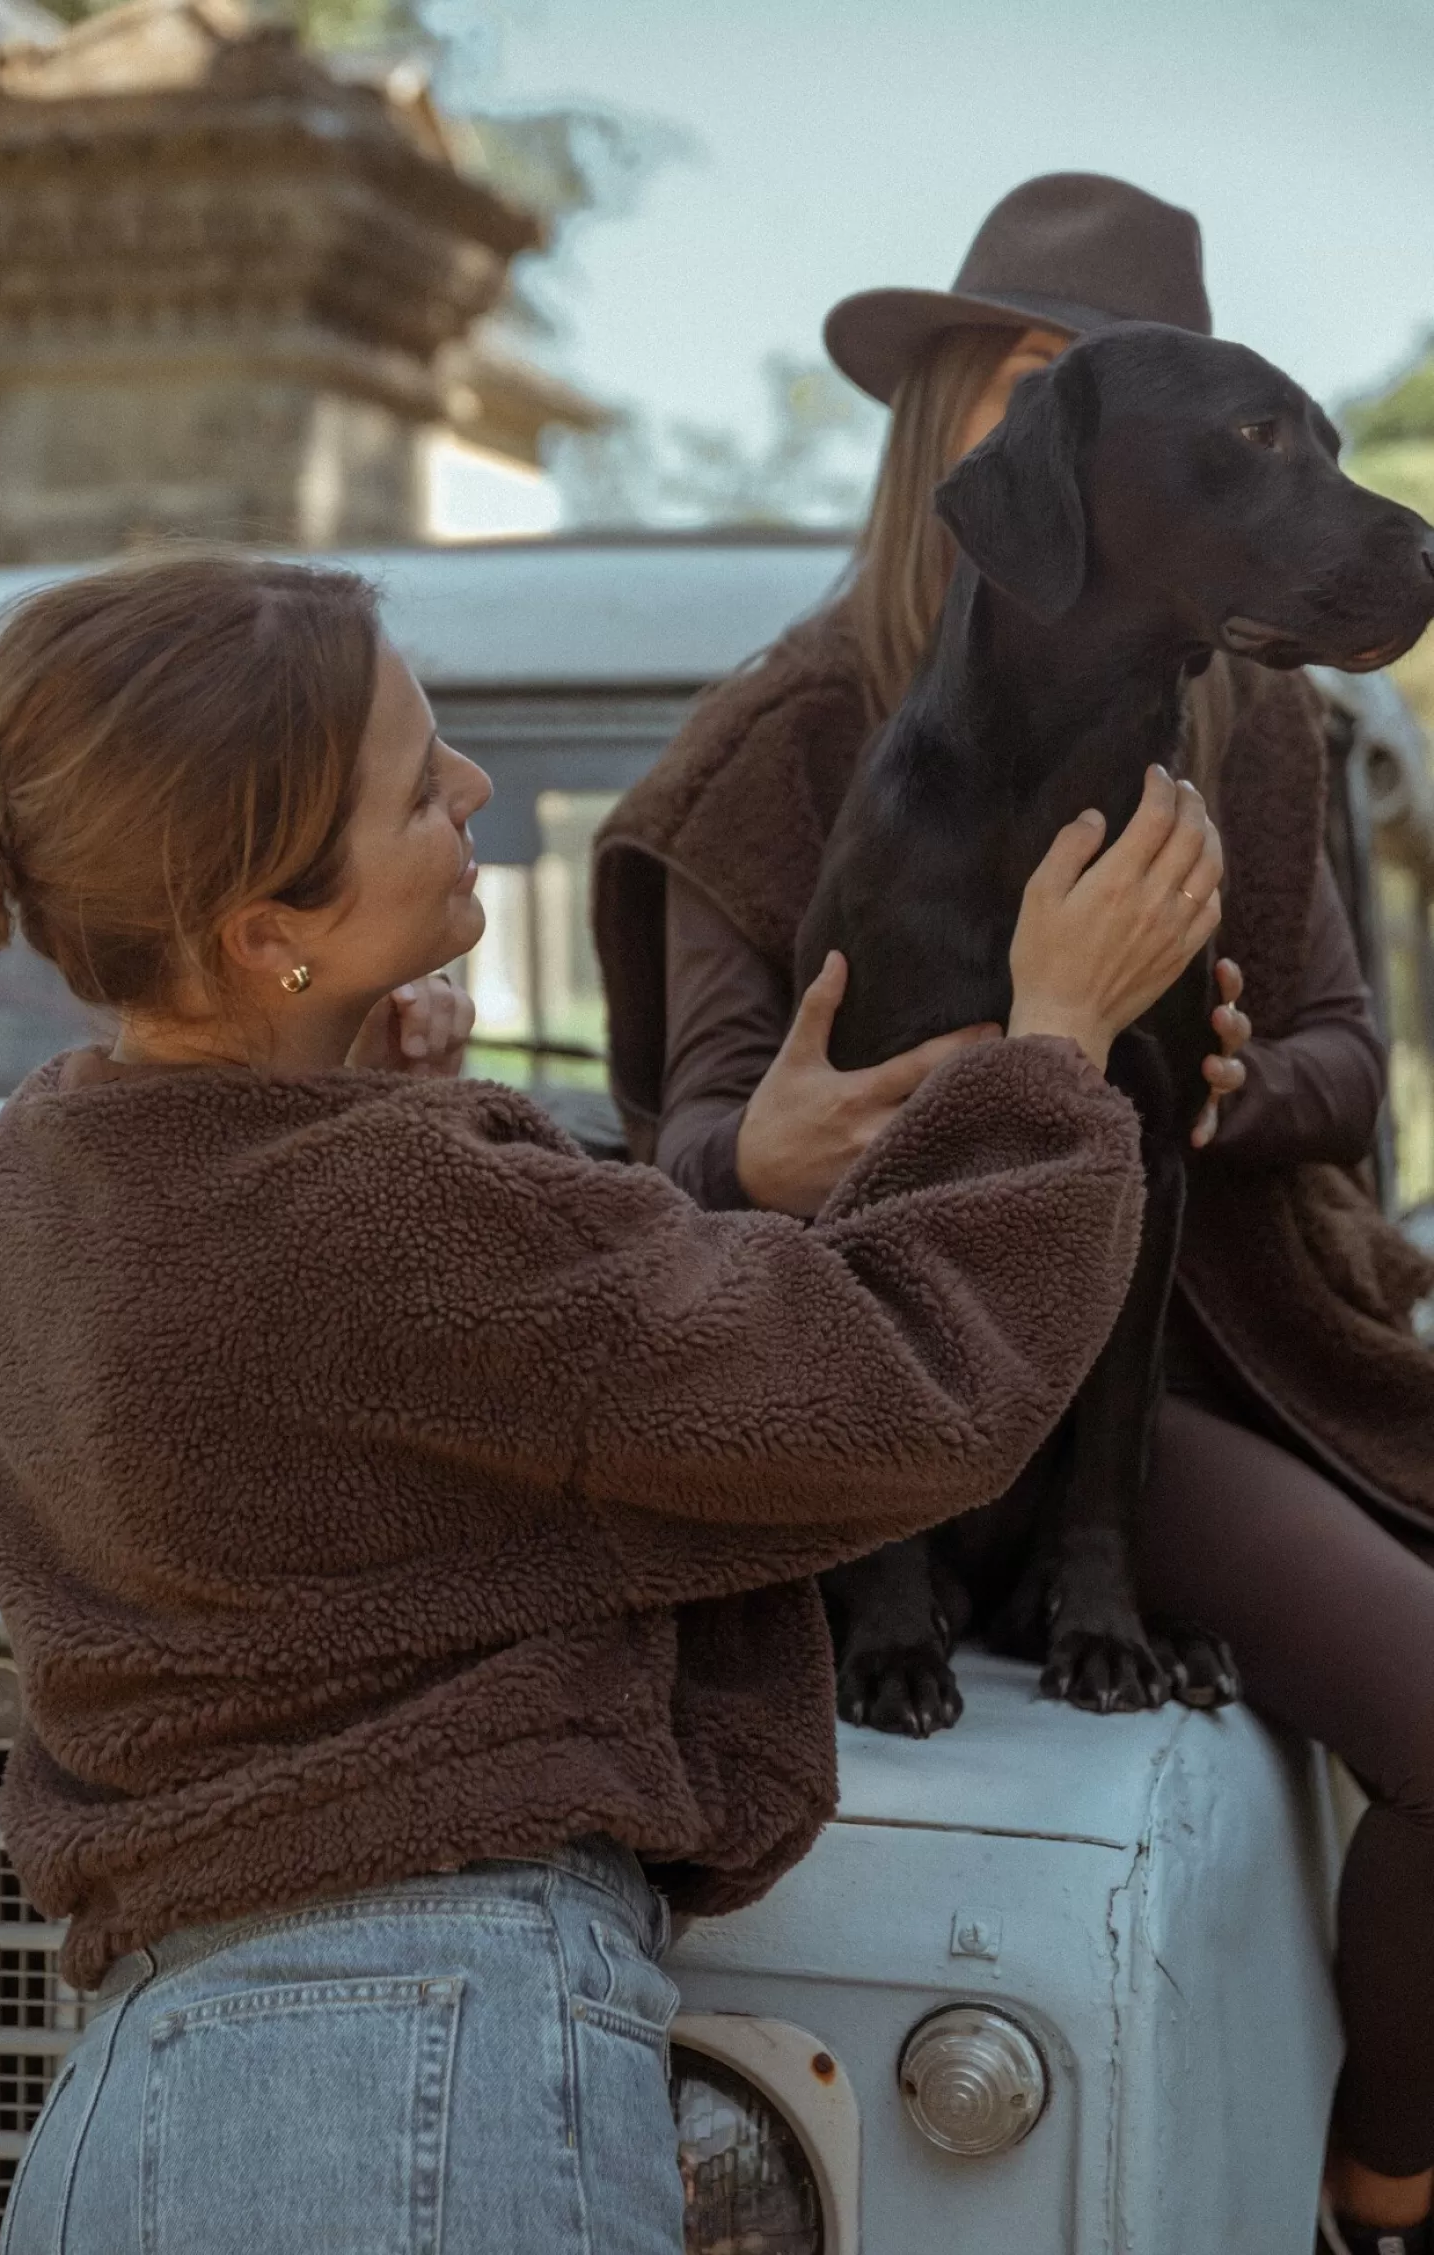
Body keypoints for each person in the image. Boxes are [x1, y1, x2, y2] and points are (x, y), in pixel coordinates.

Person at [0, 553, 1218, 2255]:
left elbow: (347, 1423)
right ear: (268, 933)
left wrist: (400, 1094)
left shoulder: (42, 1170)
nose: (468, 790)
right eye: (417, 786)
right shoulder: (409, 1223)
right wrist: (1052, 1048)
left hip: (129, 2108)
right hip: (427, 2085)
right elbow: (903, 1383)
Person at [593, 173, 1434, 2255]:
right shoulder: (784, 741)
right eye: (1040, 368)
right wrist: (771, 1148)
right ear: (969, 421)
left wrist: (1228, 1077)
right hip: (856, 1387)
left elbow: (1342, 1058)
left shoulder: (1242, 720)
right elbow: (689, 1139)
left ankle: (1381, 2193)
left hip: (1167, 1379)